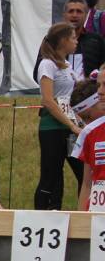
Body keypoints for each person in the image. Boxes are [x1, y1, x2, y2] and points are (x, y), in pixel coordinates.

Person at [34, 23, 84, 211]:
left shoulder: (68, 66)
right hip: (52, 128)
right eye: (73, 38)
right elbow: (47, 100)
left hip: (71, 127)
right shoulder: (47, 64)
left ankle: (83, 213)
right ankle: (40, 217)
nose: (76, 41)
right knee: (50, 177)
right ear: (63, 41)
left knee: (83, 173)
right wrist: (71, 126)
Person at [71, 74, 105, 211]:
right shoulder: (90, 132)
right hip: (96, 214)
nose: (100, 91)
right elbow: (86, 183)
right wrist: (81, 220)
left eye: (88, 117)